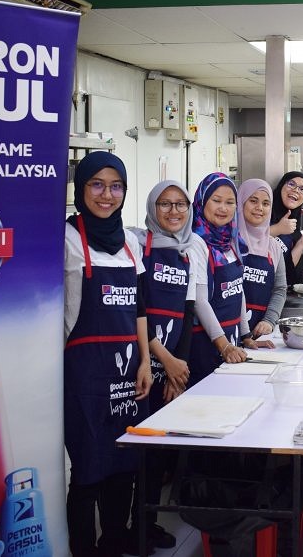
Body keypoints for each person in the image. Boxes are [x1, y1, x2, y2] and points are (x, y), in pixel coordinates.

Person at [63, 151, 153, 557]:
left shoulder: (130, 242)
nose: (107, 194)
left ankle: (113, 544)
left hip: (128, 370)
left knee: (122, 465)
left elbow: (138, 308)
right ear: (81, 189)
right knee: (87, 470)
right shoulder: (65, 238)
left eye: (115, 186)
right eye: (96, 184)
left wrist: (146, 362)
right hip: (83, 374)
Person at [124, 180, 199, 551]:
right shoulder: (138, 244)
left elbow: (186, 313)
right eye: (165, 205)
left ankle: (146, 523)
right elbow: (135, 308)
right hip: (139, 365)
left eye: (180, 205)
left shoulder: (188, 252)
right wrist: (164, 359)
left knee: (156, 454)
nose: (173, 212)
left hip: (170, 367)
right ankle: (121, 530)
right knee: (130, 453)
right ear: (153, 208)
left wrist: (178, 373)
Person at [188, 173, 268, 383]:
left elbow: (237, 289)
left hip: (231, 338)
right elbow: (199, 301)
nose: (223, 208)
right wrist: (223, 345)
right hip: (206, 341)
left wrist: (245, 336)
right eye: (216, 201)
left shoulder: (231, 239)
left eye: (230, 202)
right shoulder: (197, 241)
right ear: (202, 201)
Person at [239, 179, 303, 337]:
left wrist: (269, 320)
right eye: (253, 201)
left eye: (265, 203)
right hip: (227, 331)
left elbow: (280, 287)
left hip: (259, 331)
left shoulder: (274, 246)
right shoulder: (227, 243)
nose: (259, 208)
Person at [269, 171, 303, 287]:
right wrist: (277, 229)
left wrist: (302, 243)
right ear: (281, 186)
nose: (296, 190)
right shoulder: (264, 213)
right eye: (291, 184)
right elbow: (248, 238)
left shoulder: (294, 224)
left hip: (281, 293)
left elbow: (289, 271)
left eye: (302, 189)